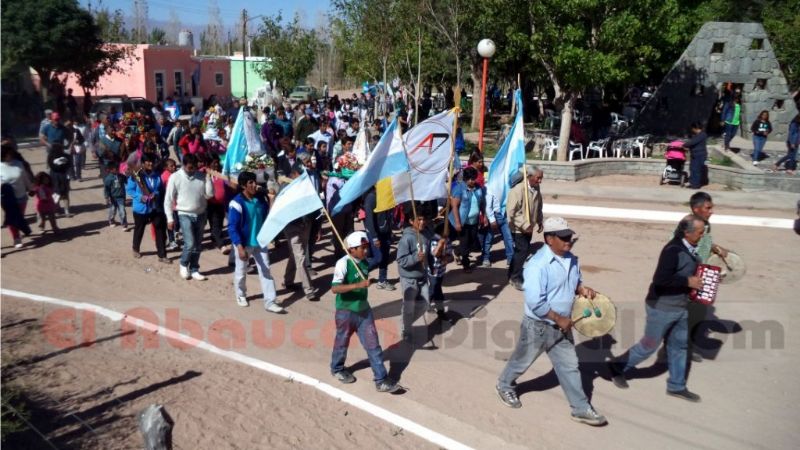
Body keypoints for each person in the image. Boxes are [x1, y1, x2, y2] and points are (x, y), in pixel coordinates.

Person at [495, 217, 607, 426]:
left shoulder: (571, 259)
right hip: (538, 326)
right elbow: (535, 301)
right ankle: (504, 385)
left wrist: (582, 289)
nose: (568, 240)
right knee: (522, 362)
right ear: (549, 239)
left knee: (570, 366)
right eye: (563, 237)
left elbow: (574, 283)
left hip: (563, 325)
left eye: (569, 236)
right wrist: (558, 318)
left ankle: (580, 408)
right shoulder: (538, 265)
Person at [608, 214, 706, 403]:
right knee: (649, 346)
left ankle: (677, 386)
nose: (702, 236)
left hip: (680, 306)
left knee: (679, 345)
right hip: (661, 307)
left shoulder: (691, 248)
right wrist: (687, 281)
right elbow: (660, 280)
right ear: (687, 232)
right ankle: (617, 366)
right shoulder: (672, 250)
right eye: (700, 233)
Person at [330, 231, 400, 393]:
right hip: (345, 312)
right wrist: (358, 286)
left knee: (373, 345)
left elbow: (380, 258)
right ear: (352, 249)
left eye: (367, 247)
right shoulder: (343, 263)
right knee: (342, 343)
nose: (366, 251)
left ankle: (381, 380)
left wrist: (376, 247)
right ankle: (337, 368)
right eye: (363, 248)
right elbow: (335, 288)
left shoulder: (364, 262)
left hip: (364, 311)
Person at [228, 170, 286, 314]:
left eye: (255, 182)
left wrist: (271, 199)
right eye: (251, 183)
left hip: (260, 242)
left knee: (266, 270)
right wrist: (239, 247)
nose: (255, 185)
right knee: (241, 272)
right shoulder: (236, 203)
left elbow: (270, 216)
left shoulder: (260, 199)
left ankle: (270, 301)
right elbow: (232, 227)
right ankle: (241, 294)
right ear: (243, 186)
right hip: (244, 243)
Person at [682, 192, 728, 363]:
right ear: (696, 209)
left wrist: (714, 247)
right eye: (708, 208)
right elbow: (676, 246)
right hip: (690, 278)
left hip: (701, 275)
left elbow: (702, 242)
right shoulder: (687, 225)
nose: (712, 211)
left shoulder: (705, 226)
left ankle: (685, 346)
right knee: (687, 317)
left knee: (697, 315)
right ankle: (678, 349)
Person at [164, 153, 215, 280]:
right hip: (184, 214)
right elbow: (168, 199)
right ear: (183, 165)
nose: (192, 170)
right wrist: (170, 218)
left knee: (198, 244)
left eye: (194, 167)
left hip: (201, 214)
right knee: (190, 243)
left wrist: (208, 178)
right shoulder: (175, 177)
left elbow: (209, 195)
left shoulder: (201, 176)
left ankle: (194, 269)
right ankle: (183, 264)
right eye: (190, 167)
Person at [395, 201, 432, 343]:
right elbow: (401, 260)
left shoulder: (426, 234)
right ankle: (406, 328)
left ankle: (407, 320)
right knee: (409, 306)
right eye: (419, 219)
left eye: (424, 219)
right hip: (409, 279)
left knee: (425, 303)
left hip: (422, 276)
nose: (422, 222)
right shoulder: (407, 238)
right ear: (411, 221)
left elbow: (430, 250)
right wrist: (416, 258)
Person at [507, 165, 544, 291]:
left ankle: (512, 273)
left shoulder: (536, 187)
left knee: (521, 251)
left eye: (541, 178)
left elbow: (538, 205)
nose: (540, 181)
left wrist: (539, 220)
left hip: (530, 227)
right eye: (538, 178)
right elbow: (511, 212)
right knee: (522, 251)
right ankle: (515, 278)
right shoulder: (518, 190)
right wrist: (524, 225)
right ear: (529, 177)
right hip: (518, 228)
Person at [127, 153, 169, 263]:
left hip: (155, 207)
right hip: (141, 208)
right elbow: (130, 190)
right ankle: (136, 248)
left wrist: (156, 194)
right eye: (148, 162)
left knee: (160, 230)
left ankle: (162, 255)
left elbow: (160, 188)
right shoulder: (136, 176)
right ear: (143, 163)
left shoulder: (156, 175)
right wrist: (140, 197)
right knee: (139, 229)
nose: (151, 164)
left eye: (152, 162)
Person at [450, 166, 488, 272]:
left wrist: (484, 216)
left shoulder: (478, 188)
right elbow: (454, 206)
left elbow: (482, 203)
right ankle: (466, 264)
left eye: (474, 178)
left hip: (474, 221)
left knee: (472, 242)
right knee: (465, 242)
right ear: (466, 179)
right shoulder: (459, 189)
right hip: (463, 222)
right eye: (470, 179)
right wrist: (457, 222)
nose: (473, 181)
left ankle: (457, 251)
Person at [1, 144, 34, 247]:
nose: (10, 155)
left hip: (21, 196)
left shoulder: (19, 164)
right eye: (8, 154)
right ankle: (16, 237)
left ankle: (20, 231)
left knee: (19, 217)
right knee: (11, 218)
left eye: (11, 153)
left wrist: (30, 188)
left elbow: (25, 178)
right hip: (5, 198)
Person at [363, 187, 395, 290]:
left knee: (385, 258)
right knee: (378, 258)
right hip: (375, 234)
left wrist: (390, 229)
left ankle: (382, 280)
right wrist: (374, 237)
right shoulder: (371, 197)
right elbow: (369, 220)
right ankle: (360, 271)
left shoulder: (387, 195)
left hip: (386, 232)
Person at [427, 221, 453, 318]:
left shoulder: (448, 240)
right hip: (433, 270)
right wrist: (440, 244)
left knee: (433, 289)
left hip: (441, 270)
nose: (449, 231)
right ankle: (440, 311)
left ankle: (425, 303)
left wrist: (448, 258)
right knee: (437, 291)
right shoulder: (434, 240)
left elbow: (450, 256)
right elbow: (435, 254)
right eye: (447, 229)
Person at [47, 143, 72, 216]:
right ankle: (66, 211)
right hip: (62, 175)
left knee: (56, 193)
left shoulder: (50, 156)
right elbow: (68, 165)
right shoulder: (65, 156)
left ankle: (57, 210)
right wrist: (62, 166)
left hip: (55, 176)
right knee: (64, 194)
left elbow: (51, 166)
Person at [103, 161, 128, 229]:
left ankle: (124, 224)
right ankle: (111, 221)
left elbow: (127, 181)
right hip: (113, 198)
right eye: (115, 168)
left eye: (117, 168)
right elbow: (106, 189)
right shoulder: (108, 179)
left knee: (122, 211)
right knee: (113, 211)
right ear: (110, 169)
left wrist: (128, 174)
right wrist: (106, 197)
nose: (117, 169)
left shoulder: (121, 176)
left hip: (121, 197)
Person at [684, 122, 708, 189]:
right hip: (695, 155)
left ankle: (696, 185)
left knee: (696, 170)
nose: (692, 130)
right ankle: (692, 182)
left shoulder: (702, 135)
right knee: (692, 169)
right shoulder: (697, 135)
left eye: (692, 129)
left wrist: (684, 145)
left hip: (700, 155)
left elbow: (693, 142)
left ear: (695, 128)